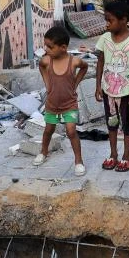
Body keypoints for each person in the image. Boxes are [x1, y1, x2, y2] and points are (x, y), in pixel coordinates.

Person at [95, 0, 129, 173]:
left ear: (124, 20)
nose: (107, 24)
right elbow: (100, 61)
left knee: (127, 124)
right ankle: (113, 154)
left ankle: (127, 157)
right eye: (106, 20)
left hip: (126, 92)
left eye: (110, 20)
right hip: (109, 91)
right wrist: (98, 86)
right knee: (111, 123)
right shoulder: (105, 39)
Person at [35, 26, 89, 176]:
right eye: (45, 46)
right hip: (52, 104)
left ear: (63, 48)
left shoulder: (74, 62)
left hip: (69, 104)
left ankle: (78, 161)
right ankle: (43, 152)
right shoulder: (46, 60)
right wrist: (47, 84)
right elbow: (41, 67)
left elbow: (85, 67)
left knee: (71, 131)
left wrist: (76, 83)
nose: (46, 49)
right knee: (48, 130)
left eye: (50, 47)